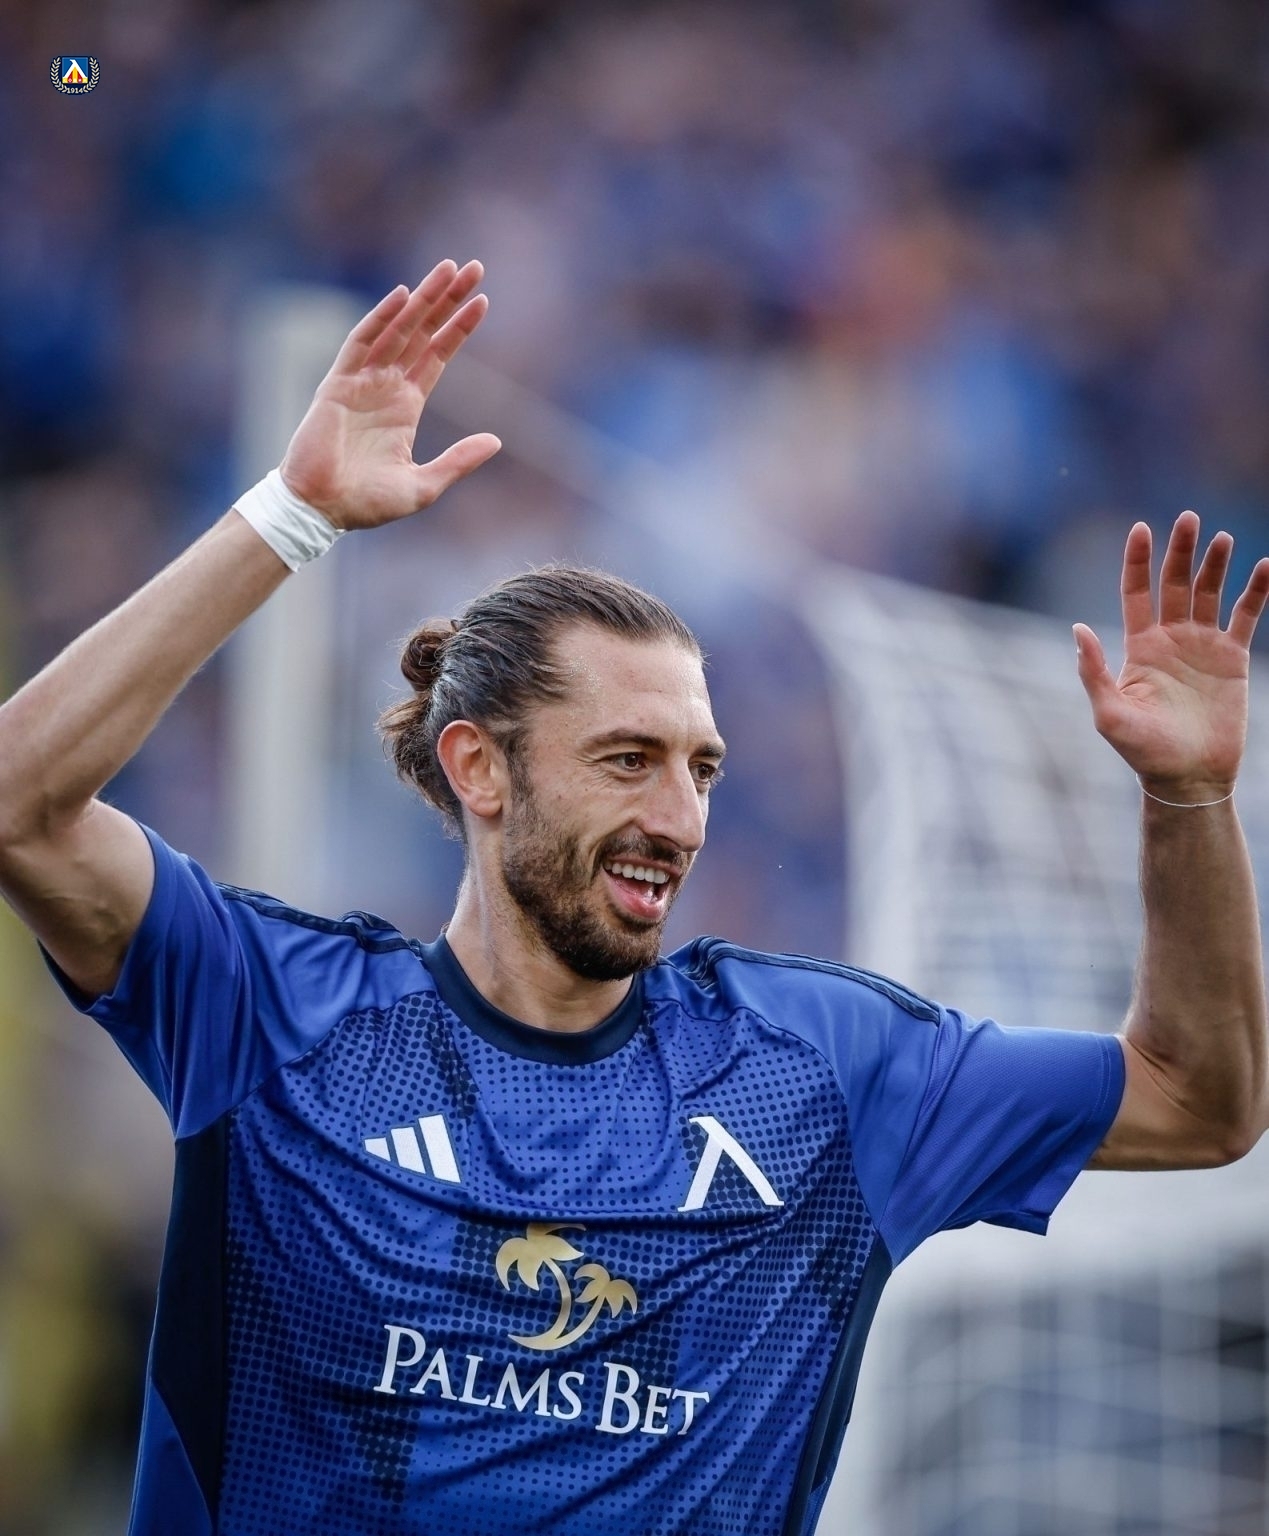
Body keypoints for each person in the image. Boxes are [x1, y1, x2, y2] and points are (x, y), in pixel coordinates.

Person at [0, 258, 1266, 1536]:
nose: (679, 817)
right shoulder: (274, 1011)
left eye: (701, 769)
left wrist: (1190, 800)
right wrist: (291, 516)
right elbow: (20, 807)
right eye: (627, 761)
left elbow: (1199, 1098)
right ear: (478, 768)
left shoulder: (827, 1074)